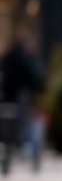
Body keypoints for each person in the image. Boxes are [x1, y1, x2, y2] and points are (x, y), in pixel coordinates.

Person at [0, 28, 46, 172]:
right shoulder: (25, 59)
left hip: (8, 99)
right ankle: (24, 148)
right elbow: (33, 81)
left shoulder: (7, 58)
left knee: (10, 130)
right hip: (20, 100)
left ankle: (15, 150)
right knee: (23, 127)